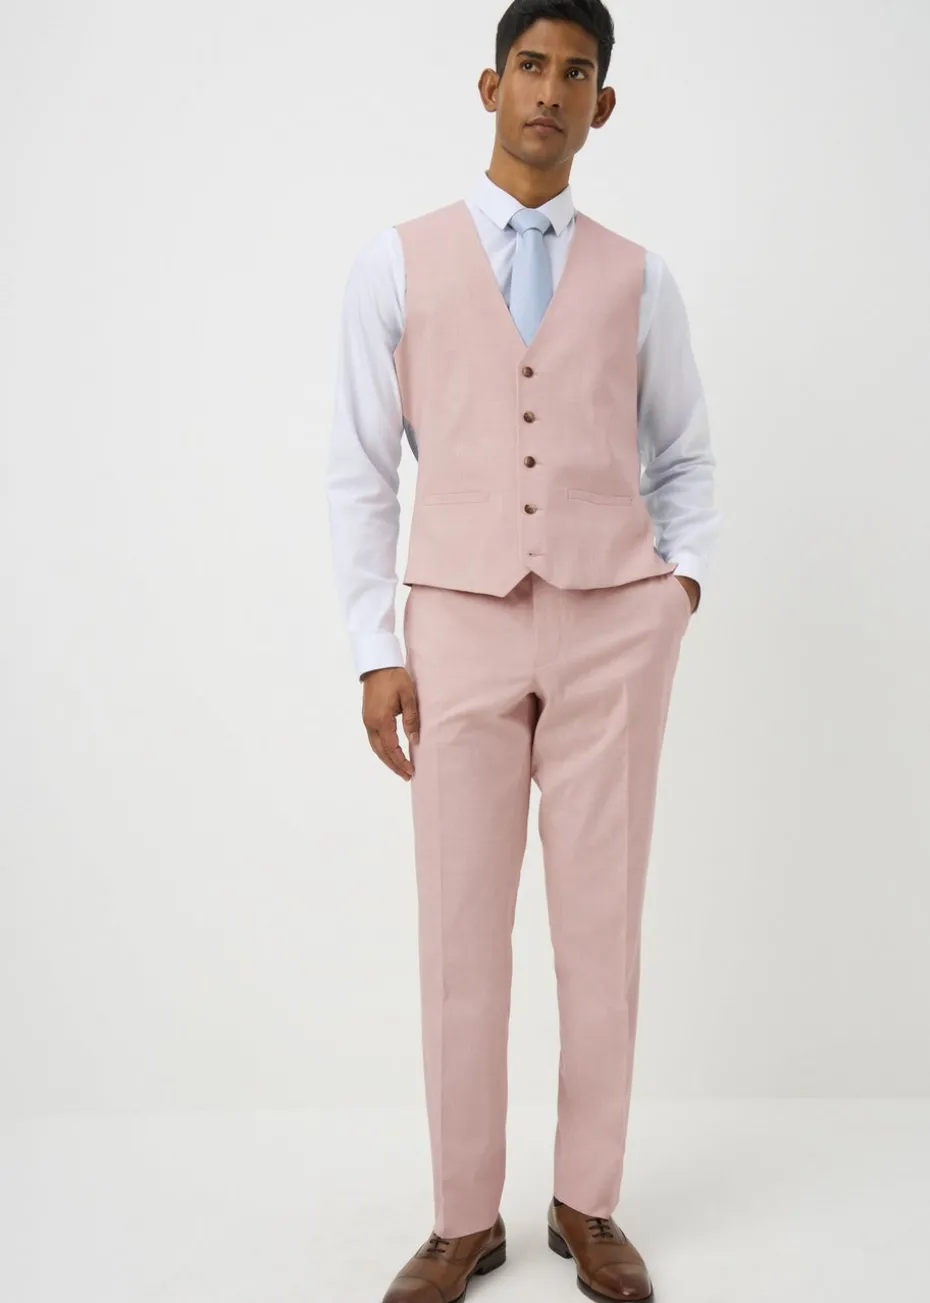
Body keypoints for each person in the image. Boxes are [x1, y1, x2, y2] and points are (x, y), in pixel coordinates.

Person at [326, 1, 721, 1298]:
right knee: (460, 932)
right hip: (456, 622)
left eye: (577, 72)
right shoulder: (396, 264)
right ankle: (461, 1218)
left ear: (602, 104)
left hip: (615, 622)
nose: (550, 90)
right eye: (532, 66)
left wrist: (677, 592)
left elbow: (685, 454)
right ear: (490, 85)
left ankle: (586, 1201)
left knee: (601, 930)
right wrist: (374, 646)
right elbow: (360, 468)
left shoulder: (640, 277)